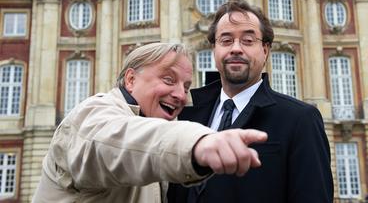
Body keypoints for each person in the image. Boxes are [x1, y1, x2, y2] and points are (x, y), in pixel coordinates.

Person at [32, 43, 268, 203]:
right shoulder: (93, 114)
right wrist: (196, 143)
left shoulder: (149, 121)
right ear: (131, 80)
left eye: (186, 87)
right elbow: (117, 142)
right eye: (168, 79)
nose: (181, 96)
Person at [168, 0, 333, 203]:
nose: (236, 48)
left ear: (265, 50)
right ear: (215, 50)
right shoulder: (185, 115)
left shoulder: (300, 119)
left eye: (248, 40)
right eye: (226, 40)